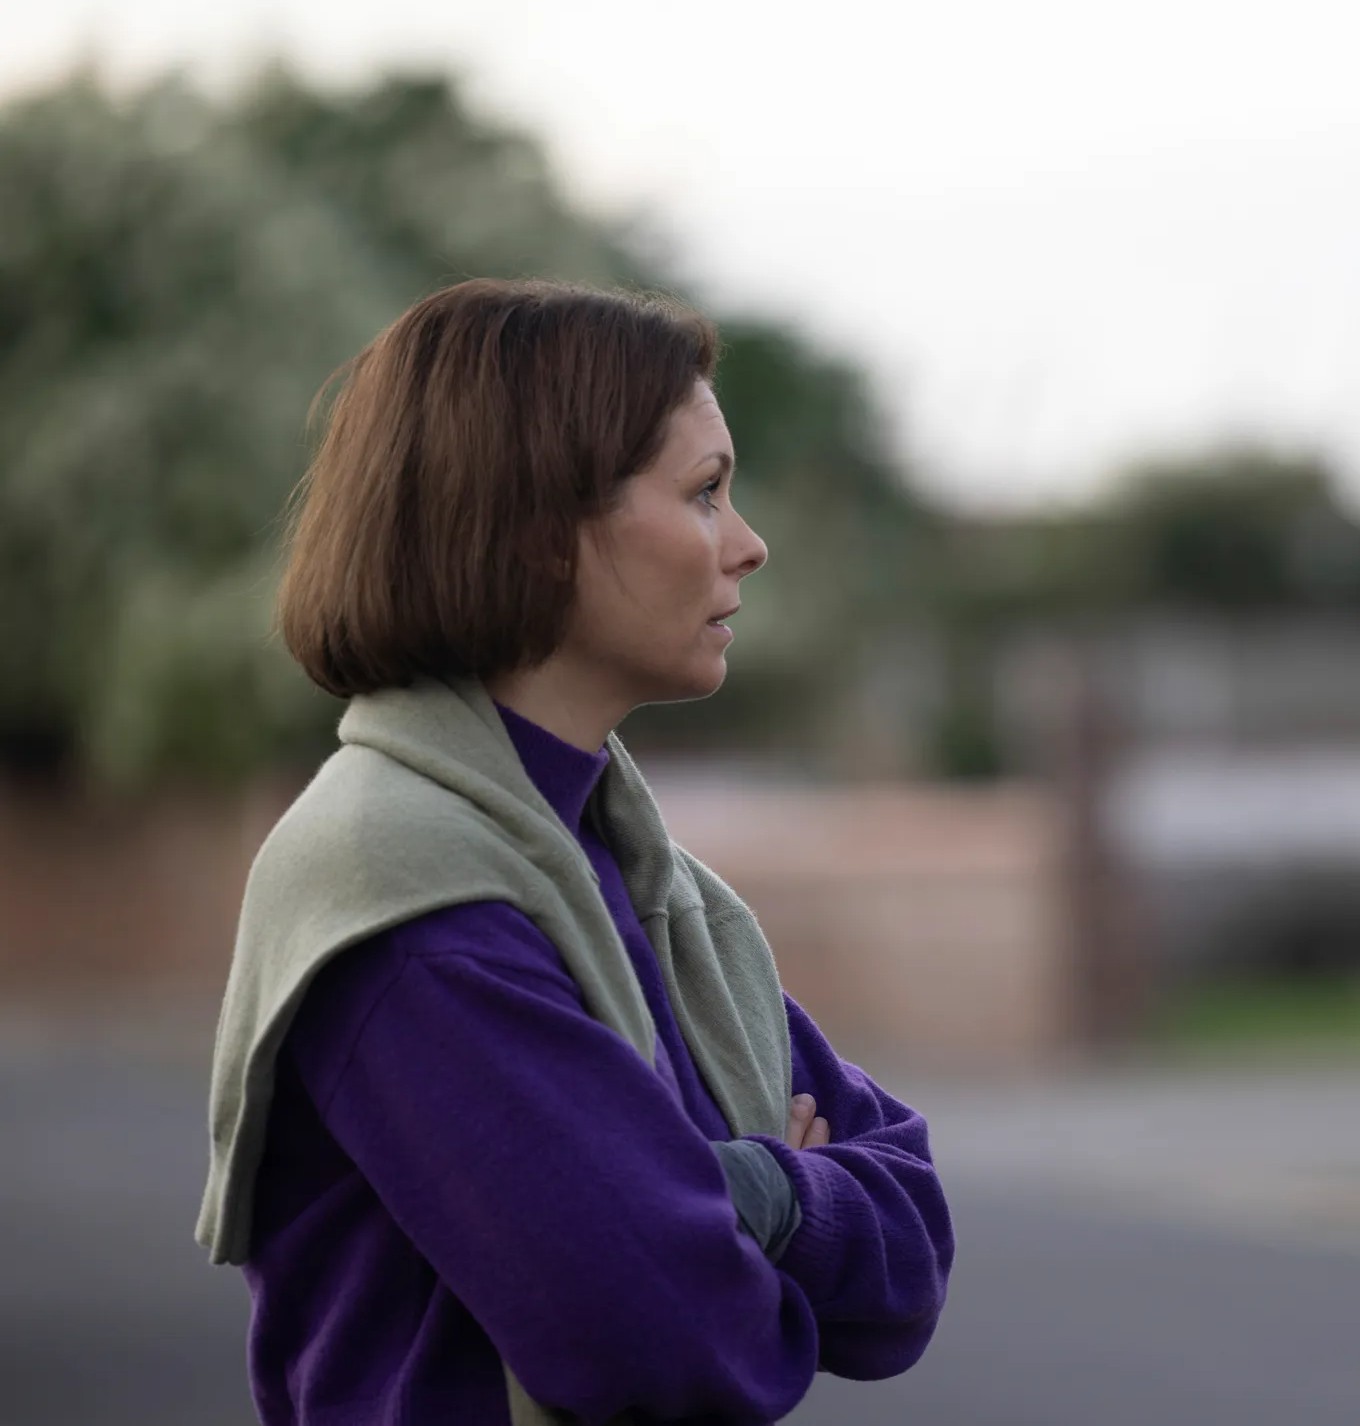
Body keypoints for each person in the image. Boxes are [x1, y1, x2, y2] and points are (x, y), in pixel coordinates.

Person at [195, 279, 953, 1425]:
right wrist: (773, 1187)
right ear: (542, 532)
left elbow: (910, 1256)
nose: (748, 546)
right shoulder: (402, 892)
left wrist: (743, 1189)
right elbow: (665, 1347)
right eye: (703, 494)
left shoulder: (658, 890)